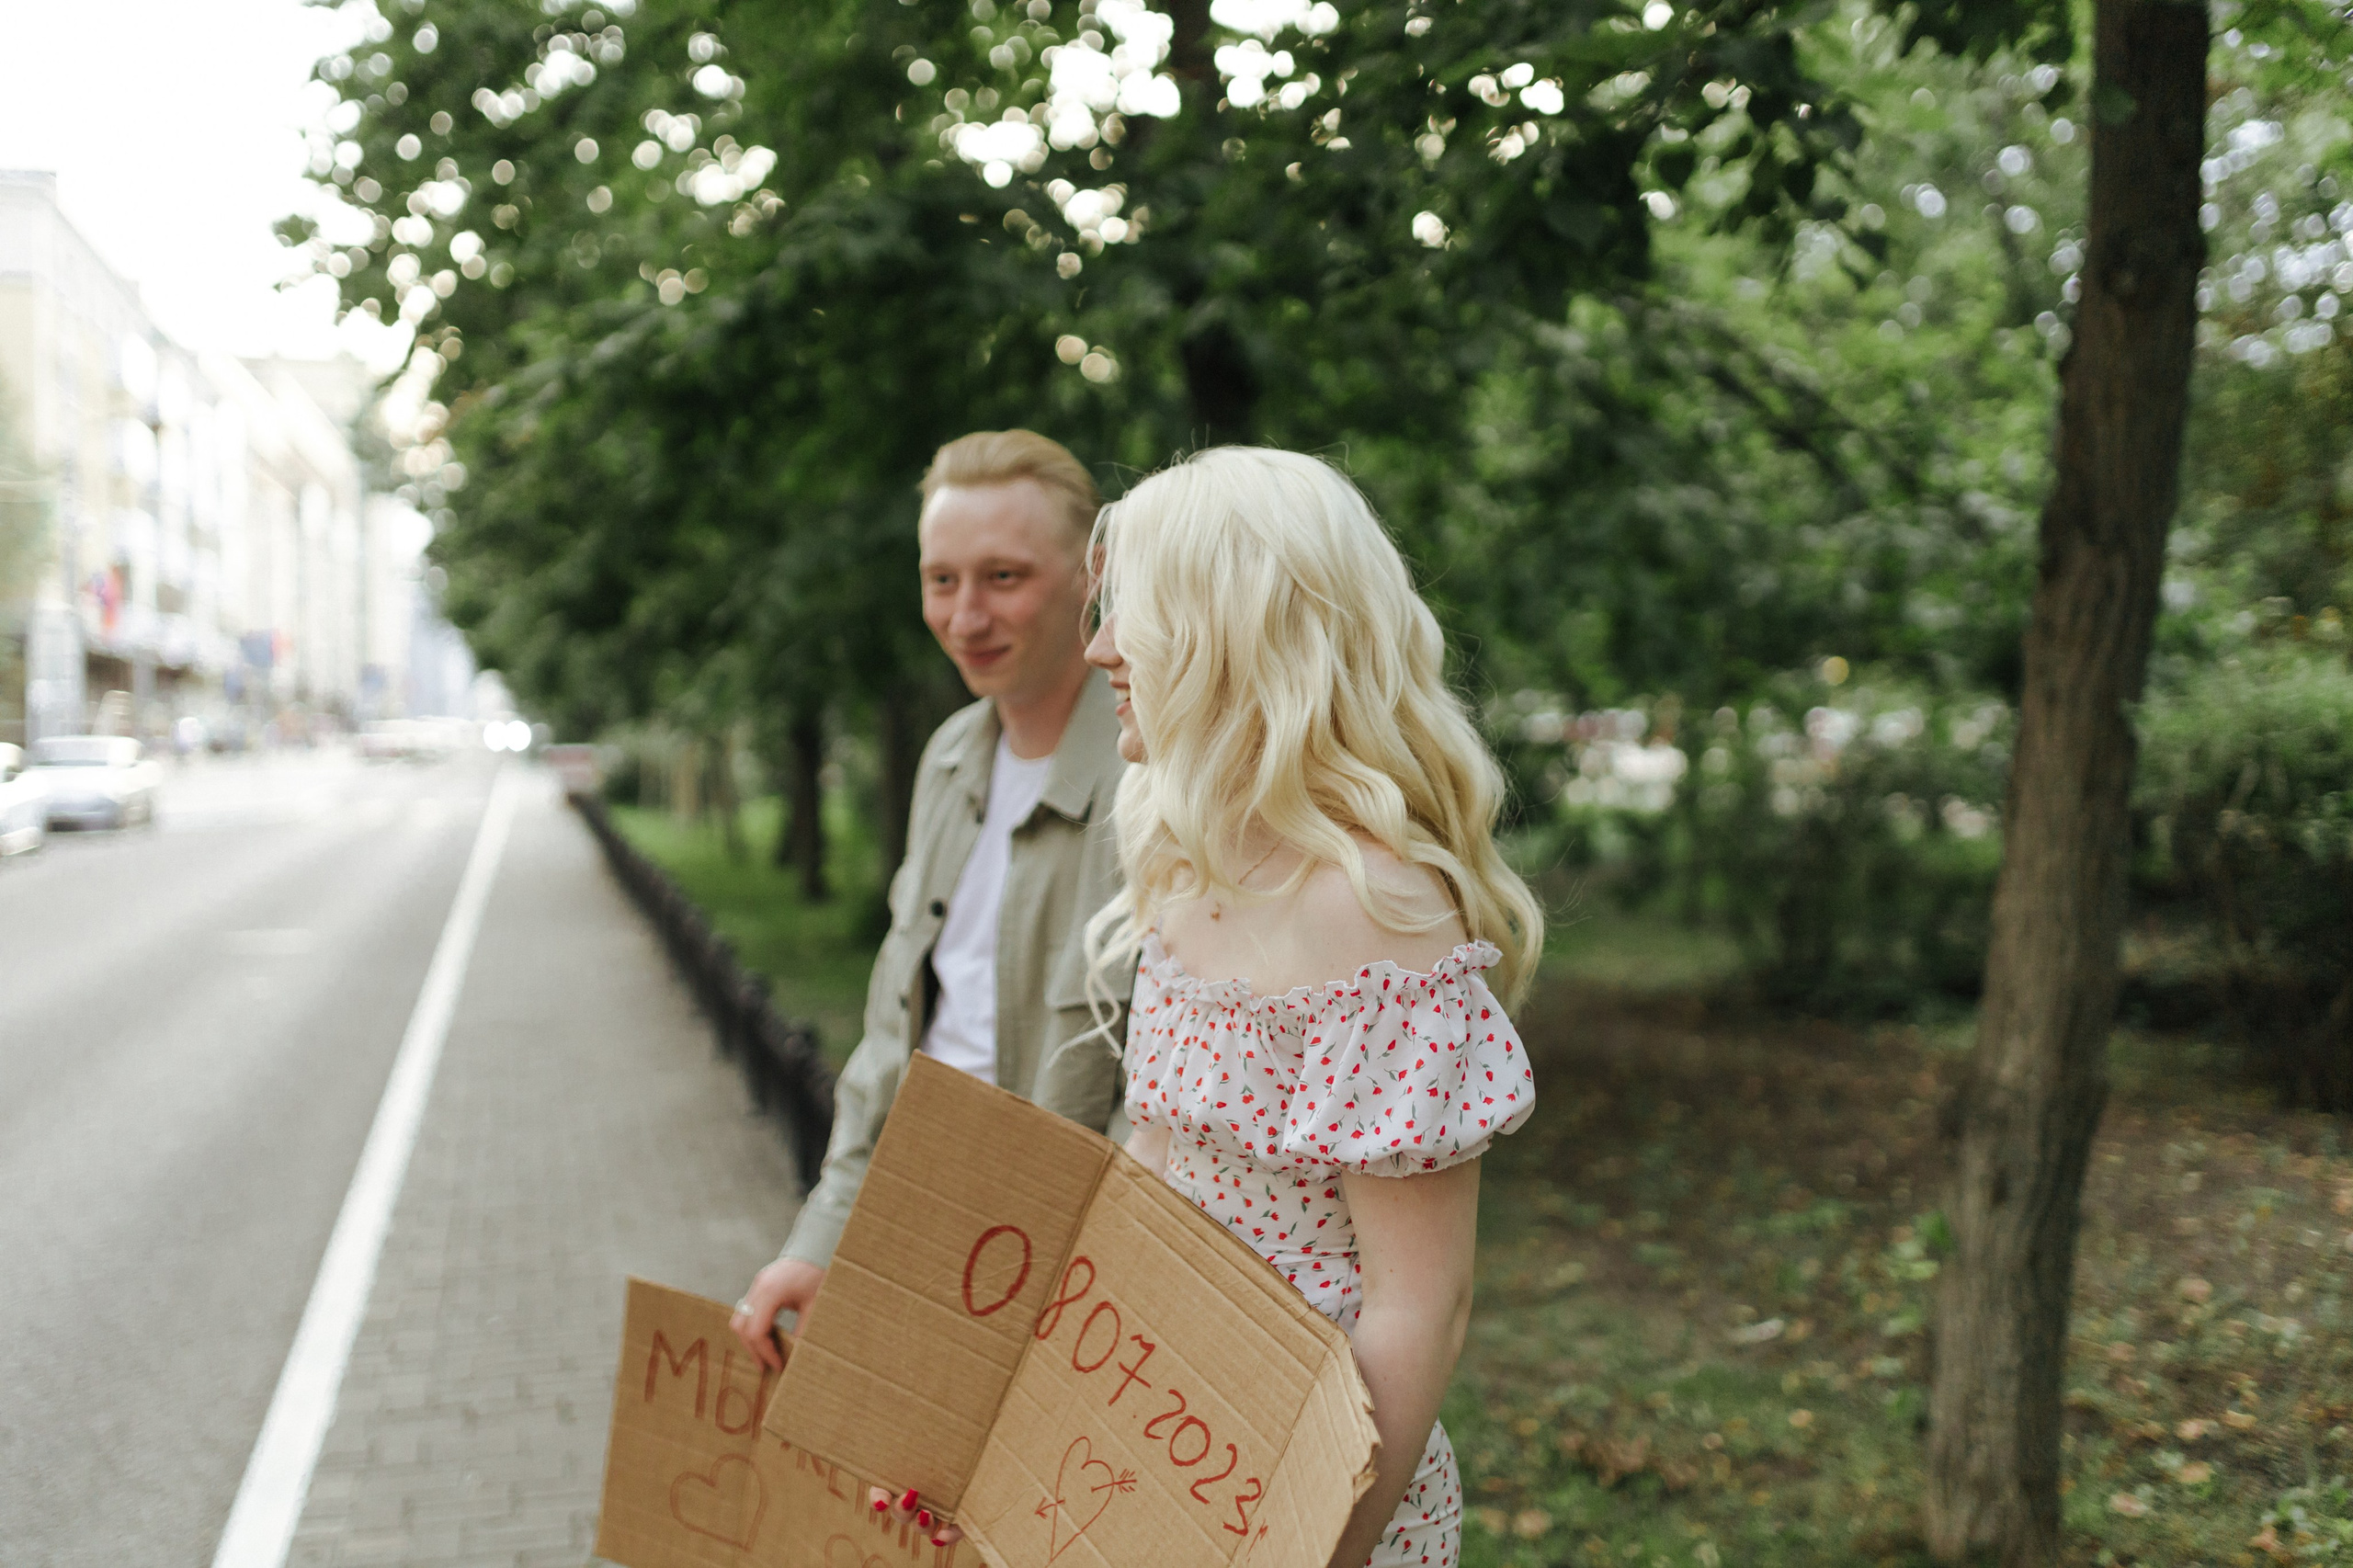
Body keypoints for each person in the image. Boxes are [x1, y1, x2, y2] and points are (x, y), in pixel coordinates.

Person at [1082, 447, 1543, 1568]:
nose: (1095, 648)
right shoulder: (1183, 863)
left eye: (1124, 614)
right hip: (1162, 1446)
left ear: (1226, 628)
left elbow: (1416, 1306)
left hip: (1298, 1490)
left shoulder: (1373, 907)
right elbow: (1153, 1169)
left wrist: (1309, 1542)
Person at [730, 430, 1131, 1382]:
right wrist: (819, 1238)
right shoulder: (948, 758)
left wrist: (1065, 1304)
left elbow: (1155, 1085)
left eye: (1002, 575)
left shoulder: (1149, 776)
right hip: (923, 1238)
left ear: (1090, 575)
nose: (965, 615)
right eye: (940, 579)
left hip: (1066, 1288)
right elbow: (890, 1037)